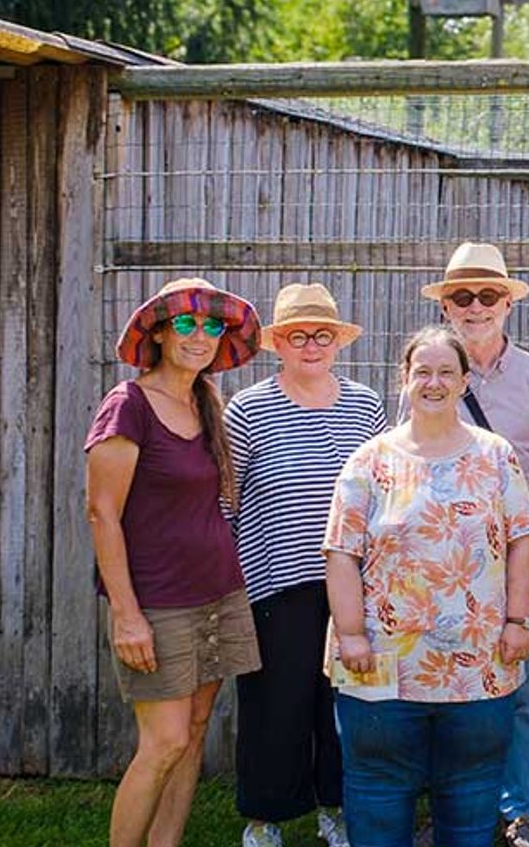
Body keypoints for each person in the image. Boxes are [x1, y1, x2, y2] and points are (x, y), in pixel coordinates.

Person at [323, 325, 529, 847]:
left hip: (479, 666)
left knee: (469, 799)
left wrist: (518, 620)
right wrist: (351, 634)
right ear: (405, 379)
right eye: (423, 371)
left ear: (465, 382)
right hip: (379, 667)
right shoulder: (369, 461)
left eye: (447, 372)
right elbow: (341, 552)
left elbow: (522, 541)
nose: (434, 382)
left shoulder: (496, 456)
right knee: (377, 798)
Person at [85, 277, 264, 847]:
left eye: (212, 325)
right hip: (158, 604)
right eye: (186, 323)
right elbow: (101, 514)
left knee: (192, 732)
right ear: (159, 333)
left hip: (218, 593)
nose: (200, 335)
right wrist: (126, 614)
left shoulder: (205, 403)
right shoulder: (128, 404)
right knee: (162, 742)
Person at [228, 283, 387, 847]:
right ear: (278, 344)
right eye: (298, 335)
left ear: (338, 341)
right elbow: (228, 500)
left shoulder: (367, 405)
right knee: (275, 705)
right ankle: (265, 818)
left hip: (353, 583)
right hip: (275, 584)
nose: (311, 345)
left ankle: (335, 810)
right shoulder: (246, 408)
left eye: (322, 334)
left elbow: (381, 494)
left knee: (343, 706)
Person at [421, 243, 529, 847]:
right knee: (447, 692)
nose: (476, 307)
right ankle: (452, 812)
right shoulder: (427, 378)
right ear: (447, 306)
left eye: (488, 296)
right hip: (449, 567)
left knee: (523, 692)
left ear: (507, 303)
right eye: (462, 297)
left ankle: (517, 813)